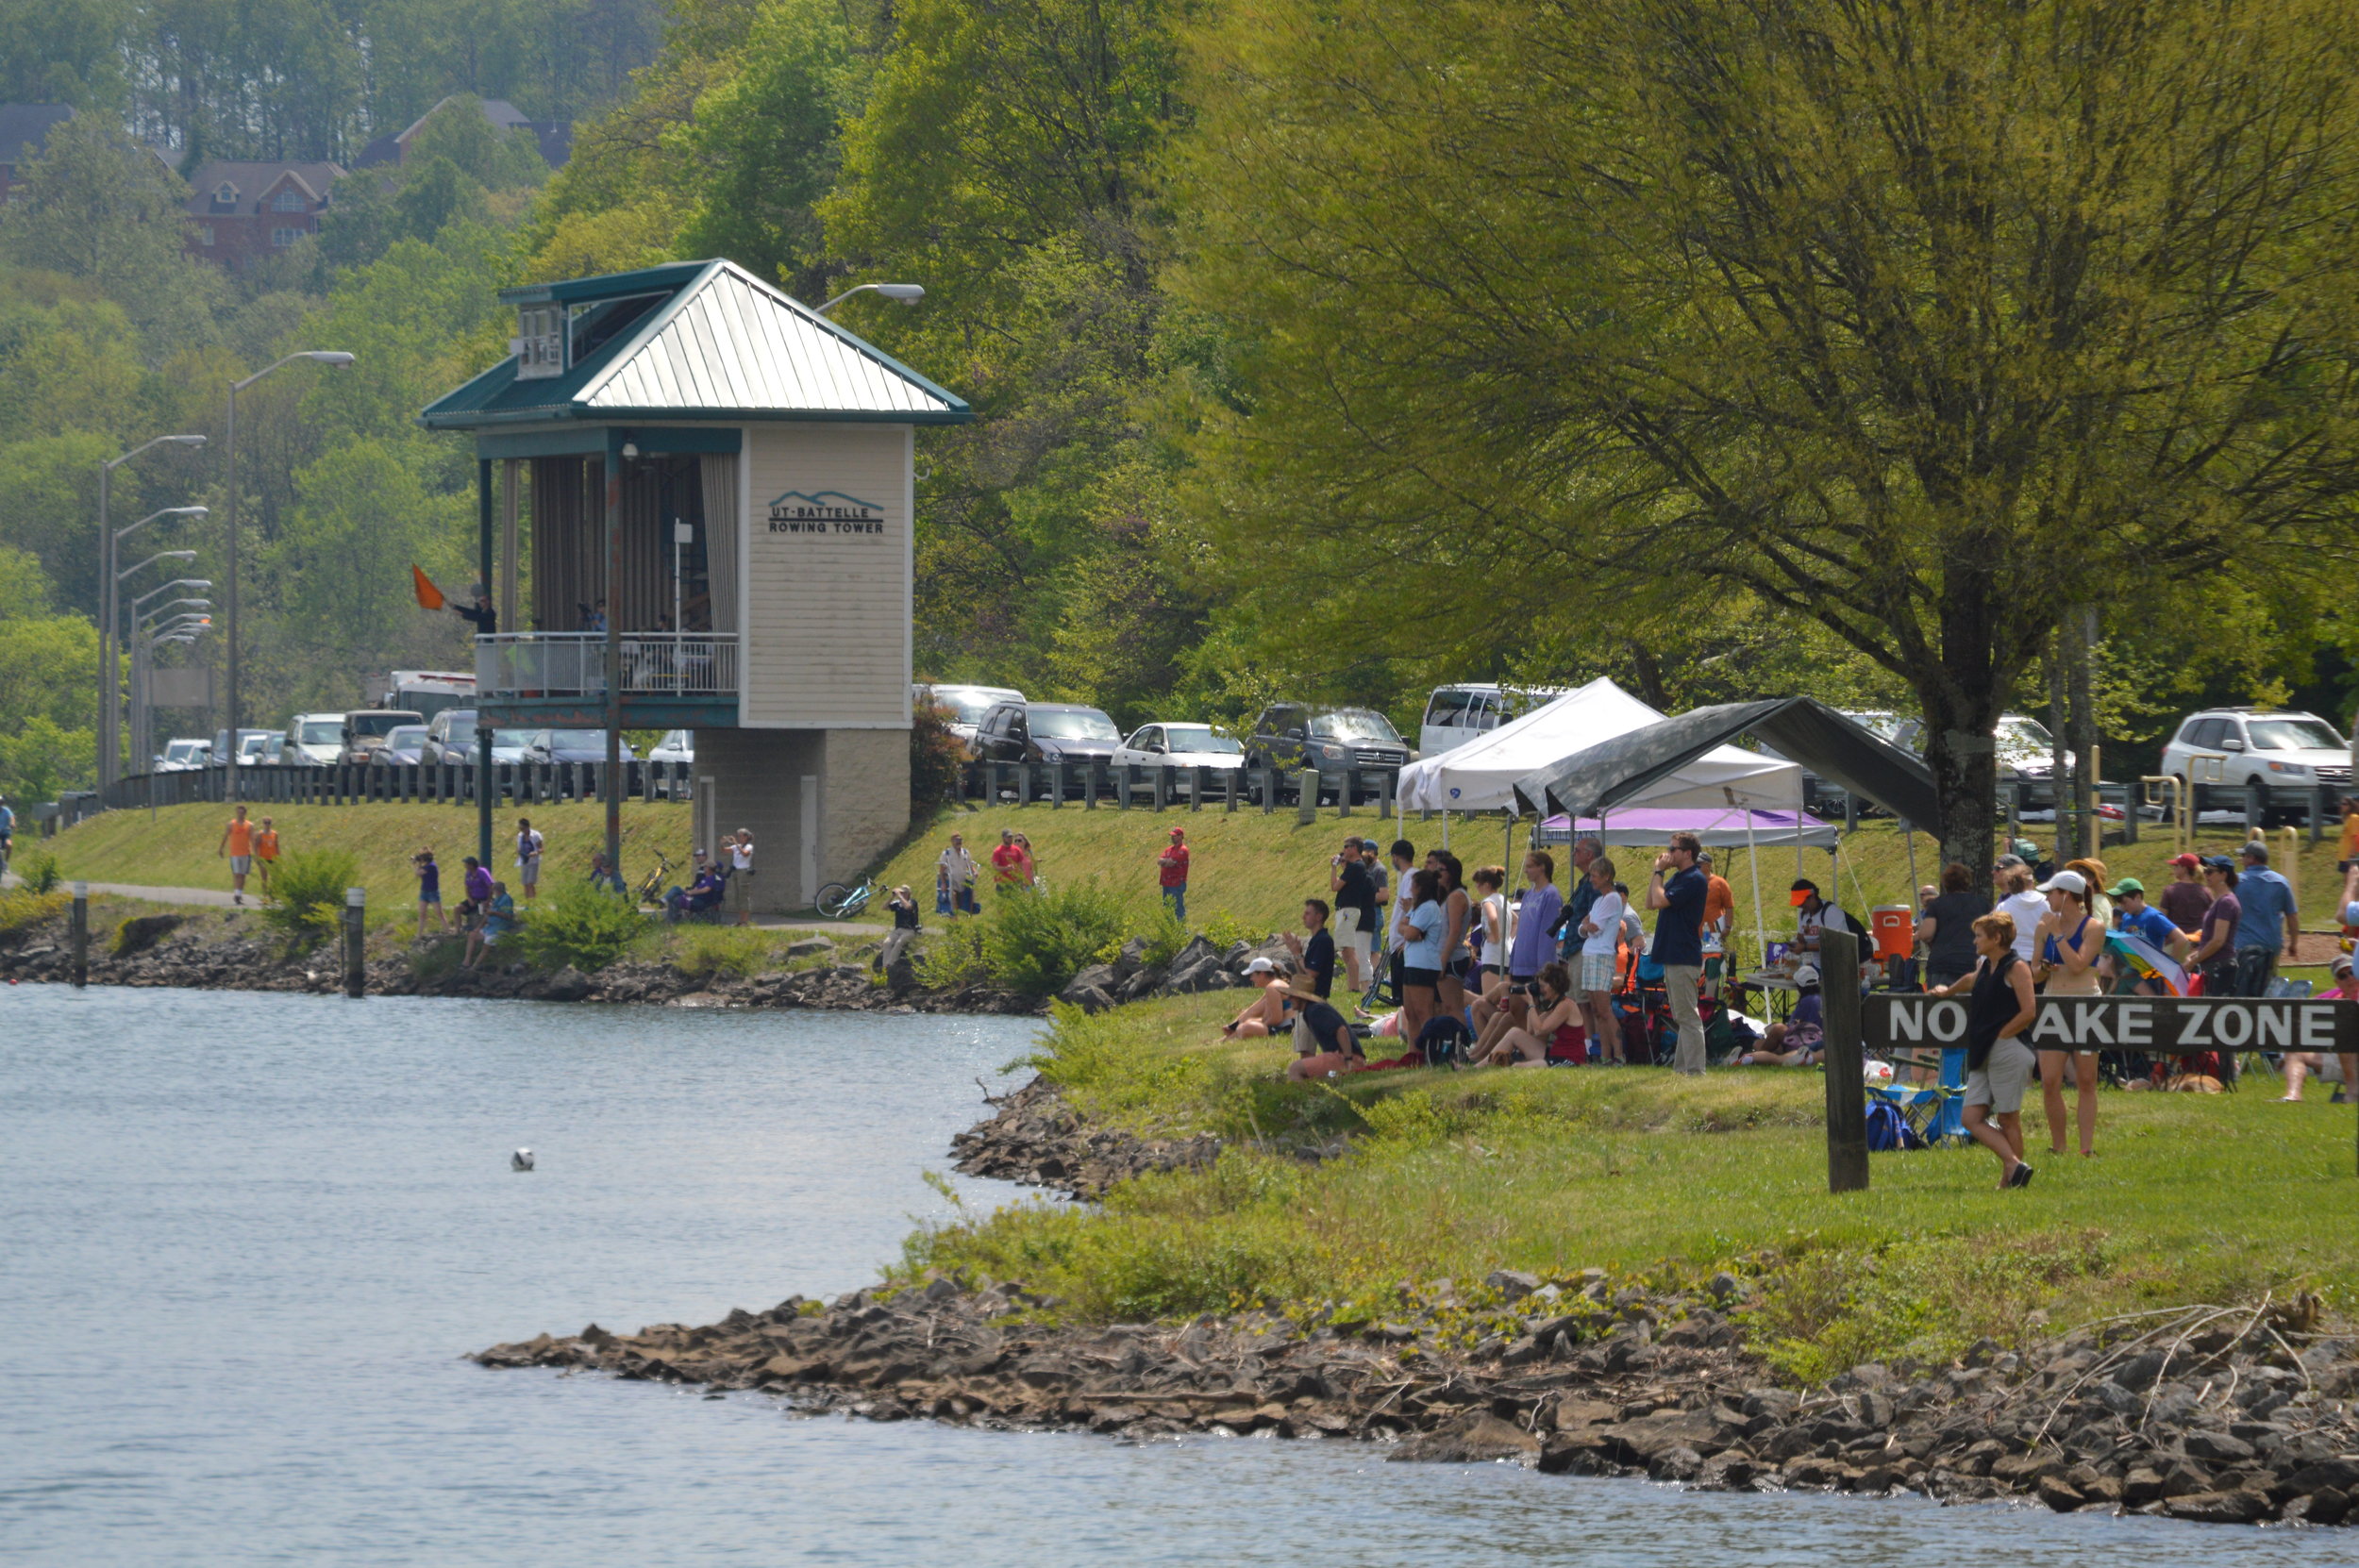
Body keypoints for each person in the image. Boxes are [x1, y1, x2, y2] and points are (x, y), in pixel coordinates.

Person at [1930, 911, 2038, 1189]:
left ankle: (2009, 1182)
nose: (1974, 941)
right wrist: (1947, 991)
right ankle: (2015, 1165)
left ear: (1997, 938)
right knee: (1970, 1118)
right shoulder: (1986, 965)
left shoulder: (2016, 967)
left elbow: (2029, 1011)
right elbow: (1970, 980)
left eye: (1979, 936)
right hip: (1983, 1050)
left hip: (2008, 1049)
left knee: (2007, 1118)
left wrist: (2002, 1035)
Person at [2033, 868, 2104, 1159]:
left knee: (2086, 1080)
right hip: (2052, 1002)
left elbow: (2078, 965)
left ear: (2067, 896)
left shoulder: (2094, 927)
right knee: (2050, 1080)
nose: (2047, 898)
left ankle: (2085, 1147)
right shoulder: (2043, 926)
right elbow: (2034, 972)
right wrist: (2043, 969)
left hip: (2086, 1002)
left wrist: (2058, 935)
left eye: (2051, 893)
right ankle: (2058, 1145)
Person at [1648, 833, 1710, 1075]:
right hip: (1672, 954)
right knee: (1682, 1016)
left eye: (1673, 849)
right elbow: (1651, 902)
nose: (1668, 853)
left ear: (1687, 853)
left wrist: (1659, 873)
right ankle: (1682, 1070)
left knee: (1688, 1017)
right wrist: (1656, 874)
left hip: (1683, 954)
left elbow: (1661, 901)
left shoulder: (1694, 878)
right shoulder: (1677, 877)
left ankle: (1695, 1071)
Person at [2281, 955, 2359, 1103]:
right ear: (2337, 982)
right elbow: (2302, 1014)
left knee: (2347, 1036)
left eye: (2353, 972)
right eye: (2343, 976)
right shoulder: (2332, 999)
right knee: (2294, 1051)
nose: (2349, 978)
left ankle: (2353, 1093)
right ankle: (2293, 1096)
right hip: (2340, 1058)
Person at [1474, 963, 1581, 1067]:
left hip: (1568, 1059)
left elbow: (1540, 1030)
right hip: (1555, 1053)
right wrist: (1531, 1002)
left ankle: (1481, 1063)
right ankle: (1479, 1066)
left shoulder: (1566, 1005)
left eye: (1543, 986)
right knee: (1515, 1032)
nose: (1541, 990)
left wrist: (1531, 1004)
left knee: (1517, 1066)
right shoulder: (1555, 1006)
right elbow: (1531, 1030)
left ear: (1554, 984)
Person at [2231, 840, 2300, 996]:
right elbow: (2292, 916)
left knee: (2242, 986)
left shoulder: (2237, 882)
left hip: (2243, 944)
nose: (2242, 860)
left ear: (2251, 858)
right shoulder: (2281, 882)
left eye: (2244, 856)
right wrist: (2293, 943)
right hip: (2271, 945)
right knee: (2267, 987)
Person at [1575, 857, 1625, 1063]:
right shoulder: (1598, 901)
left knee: (1604, 1009)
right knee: (1596, 1009)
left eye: (1595, 875)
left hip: (1601, 956)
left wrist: (1587, 927)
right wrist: (1586, 927)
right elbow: (1583, 929)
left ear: (1606, 877)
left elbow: (1595, 927)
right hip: (1590, 955)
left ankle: (1619, 1054)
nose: (1592, 879)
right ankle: (1605, 1055)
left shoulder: (1613, 898)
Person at [1916, 862, 1993, 991]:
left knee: (1941, 1007)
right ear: (1968, 882)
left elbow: (1926, 934)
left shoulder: (1937, 904)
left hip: (1942, 964)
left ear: (1945, 883)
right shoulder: (1982, 904)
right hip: (1975, 961)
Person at [2107, 878, 2189, 993]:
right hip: (2132, 972)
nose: (2122, 906)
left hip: (2151, 977)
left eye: (2124, 902)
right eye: (2119, 903)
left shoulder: (2153, 917)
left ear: (2137, 897)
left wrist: (2167, 966)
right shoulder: (2126, 918)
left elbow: (2181, 938)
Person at [1736, 965, 1822, 1065]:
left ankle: (1755, 1056)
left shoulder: (1806, 1001)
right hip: (1816, 1039)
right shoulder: (1821, 997)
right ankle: (1757, 1055)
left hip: (1806, 1039)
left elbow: (1793, 1025)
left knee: (1776, 1029)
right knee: (1767, 1044)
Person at [1397, 868, 1446, 1045]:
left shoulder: (1429, 907)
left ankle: (1430, 1050)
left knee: (1423, 1012)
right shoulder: (1418, 908)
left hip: (1424, 965)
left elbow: (1410, 934)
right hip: (1412, 963)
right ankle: (1413, 1053)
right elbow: (1402, 926)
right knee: (1410, 1013)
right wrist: (1411, 931)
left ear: (1419, 887)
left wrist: (1411, 932)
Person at [1367, 838, 1414, 1012]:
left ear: (1395, 857)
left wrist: (1406, 939)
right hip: (1399, 942)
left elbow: (1411, 908)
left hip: (1403, 944)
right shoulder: (1407, 877)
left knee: (1402, 999)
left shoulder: (1410, 877)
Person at [1429, 849, 1473, 1025]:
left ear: (1452, 873)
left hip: (1451, 958)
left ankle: (1459, 1045)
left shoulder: (1456, 896)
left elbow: (1454, 931)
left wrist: (1442, 960)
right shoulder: (1447, 896)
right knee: (1443, 1007)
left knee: (1453, 1008)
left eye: (1442, 870)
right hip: (1445, 956)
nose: (1437, 873)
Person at [2188, 857, 2243, 994]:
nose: (2206, 875)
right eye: (2205, 871)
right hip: (2212, 965)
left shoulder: (2226, 902)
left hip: (2220, 966)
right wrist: (2197, 953)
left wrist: (2194, 961)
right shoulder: (2219, 900)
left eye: (2210, 872)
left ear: (2223, 874)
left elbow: (2218, 941)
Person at [1285, 988, 1365, 1080]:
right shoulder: (1310, 1010)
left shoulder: (1315, 1010)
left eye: (1292, 996)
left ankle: (1305, 1094)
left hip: (1348, 1058)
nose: (1288, 998)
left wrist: (1348, 1060)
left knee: (1295, 1069)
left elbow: (1341, 1030)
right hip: (1345, 1057)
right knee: (1308, 1074)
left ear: (1301, 997)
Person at [1330, 835, 1375, 995]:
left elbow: (1335, 886)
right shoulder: (1356, 867)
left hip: (1348, 910)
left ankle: (1354, 987)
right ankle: (1353, 986)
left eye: (1347, 846)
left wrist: (1334, 868)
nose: (1344, 850)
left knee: (1349, 950)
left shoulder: (1355, 867)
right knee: (1347, 949)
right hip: (1348, 910)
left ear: (1355, 848)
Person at [1509, 851, 1562, 987]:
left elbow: (1548, 934)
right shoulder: (1527, 895)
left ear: (1542, 867)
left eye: (1530, 866)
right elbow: (1520, 930)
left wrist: (1543, 969)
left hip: (1536, 969)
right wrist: (1513, 962)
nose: (1526, 871)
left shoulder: (1551, 895)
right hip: (1520, 965)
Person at [1553, 834, 1604, 967]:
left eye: (1577, 850)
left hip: (1584, 950)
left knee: (1579, 988)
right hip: (1576, 949)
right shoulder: (1586, 882)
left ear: (1589, 855)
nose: (1573, 853)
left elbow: (1594, 918)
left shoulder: (1595, 884)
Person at [1224, 956, 1299, 1038]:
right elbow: (1255, 1010)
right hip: (1286, 1026)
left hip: (1287, 1029)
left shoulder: (1272, 987)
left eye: (1252, 975)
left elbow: (1276, 1019)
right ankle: (1225, 1040)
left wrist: (1260, 1025)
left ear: (1262, 974)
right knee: (1245, 1025)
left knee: (1245, 1028)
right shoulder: (1274, 986)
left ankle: (1227, 1040)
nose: (1251, 979)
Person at [1282, 898, 1337, 998]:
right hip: (1308, 996)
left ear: (1319, 917)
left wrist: (1298, 955)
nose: (1303, 917)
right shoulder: (1316, 939)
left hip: (1316, 997)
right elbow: (1303, 974)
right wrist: (1295, 953)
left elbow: (1311, 975)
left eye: (1307, 914)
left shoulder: (1323, 940)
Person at [1698, 851, 1734, 997]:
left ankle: (1710, 998)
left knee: (1713, 966)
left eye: (1699, 865)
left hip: (1714, 935)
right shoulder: (1693, 882)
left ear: (1708, 865)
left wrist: (1727, 927)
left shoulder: (1719, 883)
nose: (1696, 867)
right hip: (1694, 934)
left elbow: (1729, 906)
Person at [1995, 863, 2048, 963]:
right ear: (2031, 881)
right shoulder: (2047, 902)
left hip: (2013, 959)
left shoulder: (2004, 906)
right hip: (2041, 959)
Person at [1470, 865, 1511, 983]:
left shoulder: (1488, 902)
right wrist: (1508, 937)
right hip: (1506, 955)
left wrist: (1495, 937)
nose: (1477, 886)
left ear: (1487, 884)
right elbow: (1515, 921)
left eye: (1478, 883)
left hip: (1492, 956)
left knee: (1488, 1000)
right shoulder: (1504, 900)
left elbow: (1493, 918)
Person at [465, 880, 518, 968]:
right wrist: (478, 927)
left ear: (497, 890)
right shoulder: (496, 900)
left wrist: (494, 913)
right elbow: (486, 916)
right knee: (472, 935)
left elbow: (509, 916)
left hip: (499, 928)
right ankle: (466, 961)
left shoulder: (507, 899)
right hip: (490, 927)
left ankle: (475, 966)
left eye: (493, 891)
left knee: (487, 944)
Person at [2157, 852, 2213, 937]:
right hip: (2199, 942)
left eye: (2176, 866)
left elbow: (2162, 920)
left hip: (2176, 942)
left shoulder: (2170, 890)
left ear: (2185, 869)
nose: (2174, 869)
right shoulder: (2206, 891)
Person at [1789, 879, 1849, 956]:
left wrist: (1805, 948)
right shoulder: (1804, 914)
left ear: (1812, 896)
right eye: (1798, 904)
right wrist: (1794, 944)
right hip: (1817, 964)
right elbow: (1801, 938)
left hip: (1837, 964)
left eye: (1802, 902)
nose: (1799, 906)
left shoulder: (1831, 912)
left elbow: (1837, 943)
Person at [216, 804, 257, 905]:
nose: (240, 814)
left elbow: (252, 839)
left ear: (245, 813)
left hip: (246, 853)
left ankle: (239, 894)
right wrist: (221, 848)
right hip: (235, 853)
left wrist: (256, 853)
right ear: (236, 813)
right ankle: (237, 895)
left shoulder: (249, 825)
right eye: (238, 812)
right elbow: (225, 836)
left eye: (242, 812)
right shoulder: (231, 824)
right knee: (237, 874)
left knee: (243, 875)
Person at [939, 832, 979, 917]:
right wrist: (943, 883)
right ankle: (955, 922)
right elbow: (941, 871)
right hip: (951, 882)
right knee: (953, 899)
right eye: (956, 840)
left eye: (960, 840)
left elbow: (970, 866)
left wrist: (974, 872)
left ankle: (969, 918)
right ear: (952, 841)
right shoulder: (946, 854)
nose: (958, 842)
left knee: (971, 894)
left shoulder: (965, 853)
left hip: (962, 881)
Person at [1156, 826, 1190, 923]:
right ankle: (1170, 929)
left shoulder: (1183, 850)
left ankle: (1182, 931)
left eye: (1175, 836)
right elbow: (1159, 861)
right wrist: (1166, 861)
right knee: (1167, 907)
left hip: (1176, 883)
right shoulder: (1169, 849)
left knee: (1178, 907)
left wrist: (1166, 861)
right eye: (1172, 836)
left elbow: (1171, 863)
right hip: (1166, 882)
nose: (1172, 837)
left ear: (1181, 836)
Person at [413, 847, 447, 939]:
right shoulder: (427, 866)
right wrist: (419, 863)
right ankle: (419, 934)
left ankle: (446, 929)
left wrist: (415, 864)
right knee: (422, 913)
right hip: (424, 892)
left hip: (433, 892)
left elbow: (418, 873)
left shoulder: (431, 866)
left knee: (439, 912)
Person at [727, 828, 755, 926]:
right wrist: (722, 843)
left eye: (741, 836)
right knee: (737, 896)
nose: (739, 838)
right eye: (738, 836)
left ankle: (745, 921)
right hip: (736, 871)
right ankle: (740, 920)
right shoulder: (736, 847)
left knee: (744, 896)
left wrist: (735, 843)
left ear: (746, 837)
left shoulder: (749, 846)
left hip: (743, 872)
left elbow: (745, 854)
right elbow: (724, 850)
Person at [514, 816, 544, 902]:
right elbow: (519, 847)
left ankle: (533, 902)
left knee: (530, 882)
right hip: (524, 861)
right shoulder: (520, 836)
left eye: (522, 828)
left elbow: (541, 849)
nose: (521, 830)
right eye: (520, 828)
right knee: (525, 883)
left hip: (533, 861)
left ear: (527, 827)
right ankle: (527, 902)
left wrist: (534, 853)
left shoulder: (535, 835)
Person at [252, 816, 280, 900]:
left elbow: (277, 845)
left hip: (273, 857)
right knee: (264, 878)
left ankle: (273, 895)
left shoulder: (275, 834)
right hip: (263, 857)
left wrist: (279, 857)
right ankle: (265, 896)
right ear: (263, 824)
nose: (267, 824)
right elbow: (256, 846)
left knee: (275, 877)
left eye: (269, 823)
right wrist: (257, 857)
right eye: (265, 822)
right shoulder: (260, 834)